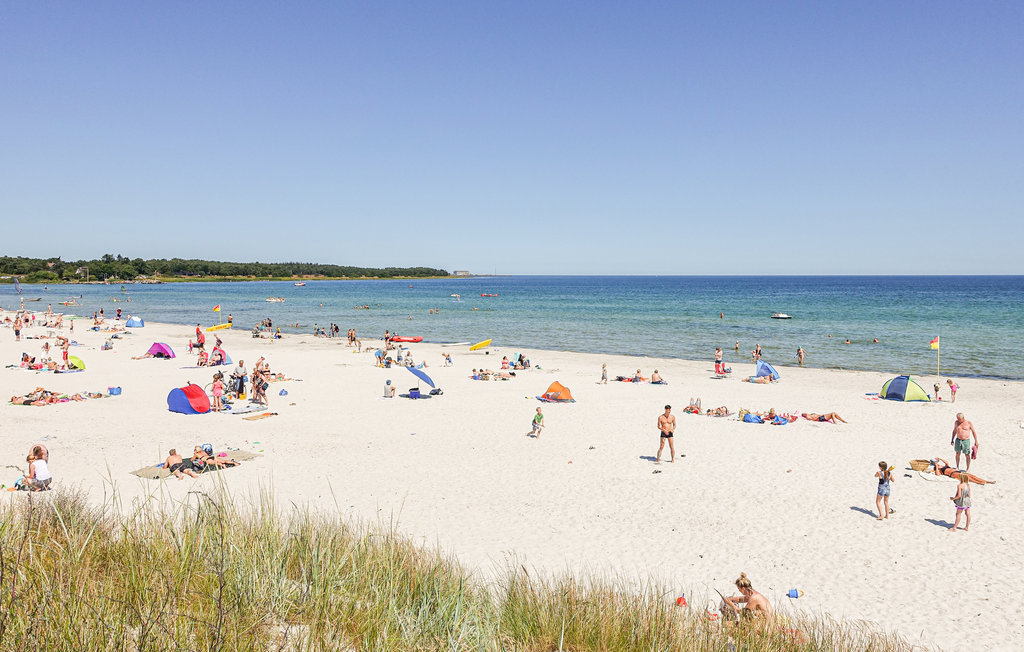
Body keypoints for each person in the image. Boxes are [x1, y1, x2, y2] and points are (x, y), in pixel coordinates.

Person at [928, 458, 995, 485]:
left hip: (957, 471)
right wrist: (936, 467)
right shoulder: (939, 470)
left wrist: (939, 458)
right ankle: (979, 483)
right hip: (953, 474)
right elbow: (937, 474)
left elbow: (946, 462)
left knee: (972, 476)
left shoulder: (944, 466)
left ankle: (987, 481)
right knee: (968, 478)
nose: (938, 464)